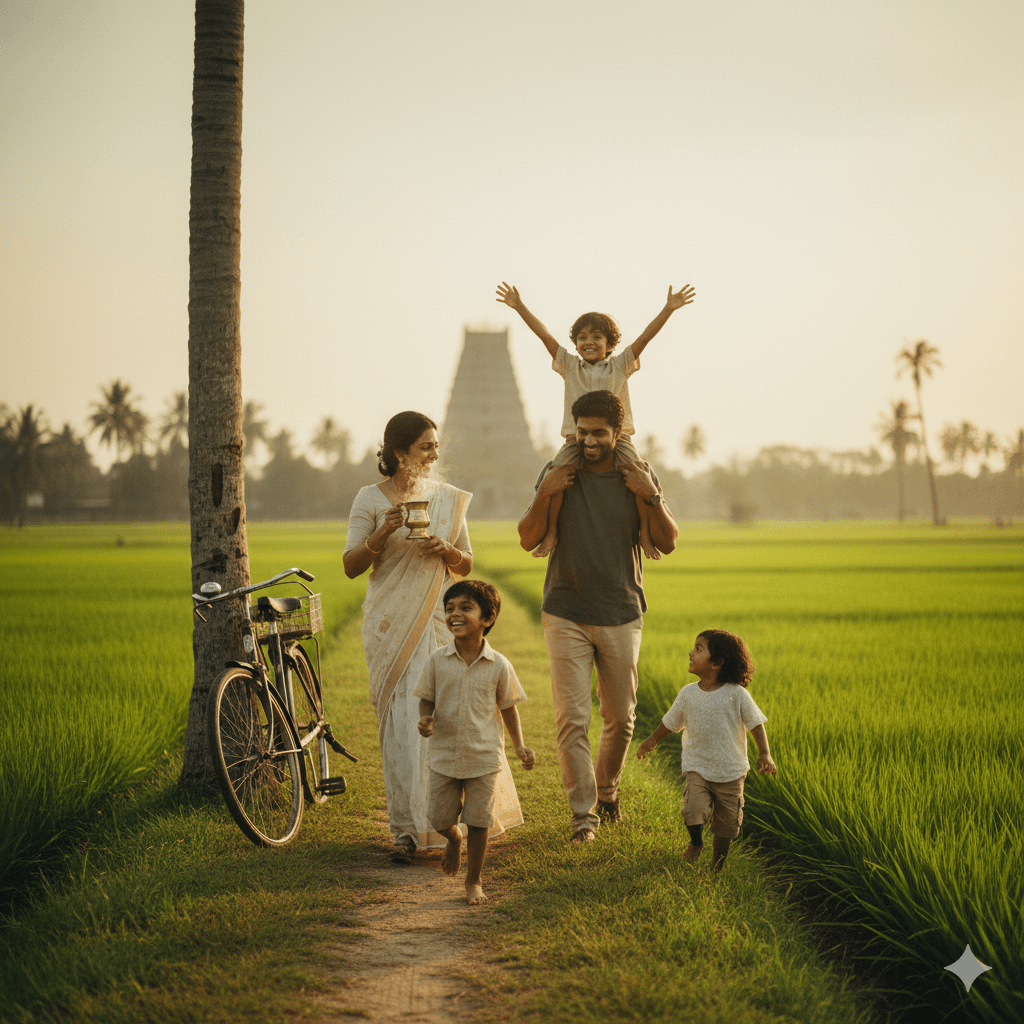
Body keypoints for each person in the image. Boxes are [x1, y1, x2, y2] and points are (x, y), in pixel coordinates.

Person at [344, 411, 524, 861]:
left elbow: (465, 562)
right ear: (399, 453)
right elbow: (351, 565)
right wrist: (383, 533)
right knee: (402, 725)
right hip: (389, 627)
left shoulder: (445, 499)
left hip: (439, 624)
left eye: (435, 446)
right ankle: (405, 831)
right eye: (425, 446)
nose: (435, 454)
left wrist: (445, 549)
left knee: (448, 720)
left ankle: (457, 823)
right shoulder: (369, 499)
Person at [518, 389, 679, 843]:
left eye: (599, 433)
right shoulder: (559, 473)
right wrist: (544, 493)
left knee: (621, 718)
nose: (589, 440)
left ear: (618, 433)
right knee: (572, 719)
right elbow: (529, 538)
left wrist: (651, 497)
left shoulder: (637, 475)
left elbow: (667, 542)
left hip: (622, 609)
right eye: (582, 432)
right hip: (565, 608)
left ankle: (607, 790)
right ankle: (583, 817)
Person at [496, 280, 695, 559]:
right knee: (555, 478)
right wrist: (519, 307)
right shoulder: (568, 365)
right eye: (582, 337)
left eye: (597, 337)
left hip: (619, 437)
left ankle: (646, 534)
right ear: (575, 344)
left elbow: (645, 338)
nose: (588, 342)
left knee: (638, 477)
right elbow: (544, 336)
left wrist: (668, 308)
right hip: (573, 439)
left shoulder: (620, 364)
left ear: (610, 344)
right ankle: (552, 531)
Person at [415, 580, 536, 905]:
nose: (454, 614)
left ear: (487, 617)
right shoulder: (437, 661)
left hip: (484, 758)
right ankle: (453, 838)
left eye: (465, 607)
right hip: (443, 755)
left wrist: (519, 747)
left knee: (479, 821)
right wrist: (426, 719)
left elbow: (508, 707)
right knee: (439, 818)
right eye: (450, 608)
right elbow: (426, 698)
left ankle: (474, 881)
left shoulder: (499, 665)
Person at [636, 629, 777, 872]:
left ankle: (718, 865)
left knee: (726, 826)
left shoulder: (737, 695)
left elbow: (755, 723)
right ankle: (696, 842)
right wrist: (651, 740)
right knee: (693, 810)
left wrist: (765, 753)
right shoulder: (688, 693)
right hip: (697, 766)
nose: (691, 652)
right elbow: (670, 722)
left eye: (699, 649)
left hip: (731, 771)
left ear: (718, 663)